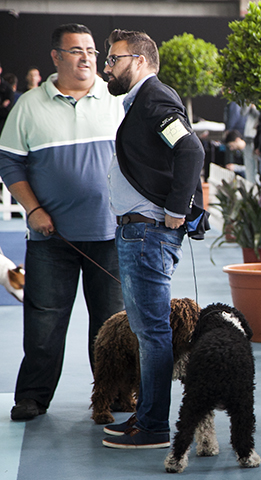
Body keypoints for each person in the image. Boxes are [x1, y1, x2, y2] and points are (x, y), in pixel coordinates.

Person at [0, 23, 125, 421]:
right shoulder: (28, 106)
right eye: (76, 50)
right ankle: (33, 397)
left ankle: (117, 395)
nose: (87, 57)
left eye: (91, 50)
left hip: (111, 235)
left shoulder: (114, 99)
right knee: (44, 324)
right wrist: (34, 211)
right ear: (56, 57)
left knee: (111, 326)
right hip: (51, 239)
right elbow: (9, 161)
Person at [101, 28, 206, 448]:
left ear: (139, 61)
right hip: (140, 232)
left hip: (147, 233)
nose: (107, 67)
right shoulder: (143, 101)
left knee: (152, 334)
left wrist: (178, 209)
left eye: (114, 59)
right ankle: (148, 418)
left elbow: (192, 150)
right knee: (149, 332)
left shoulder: (154, 99)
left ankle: (154, 427)